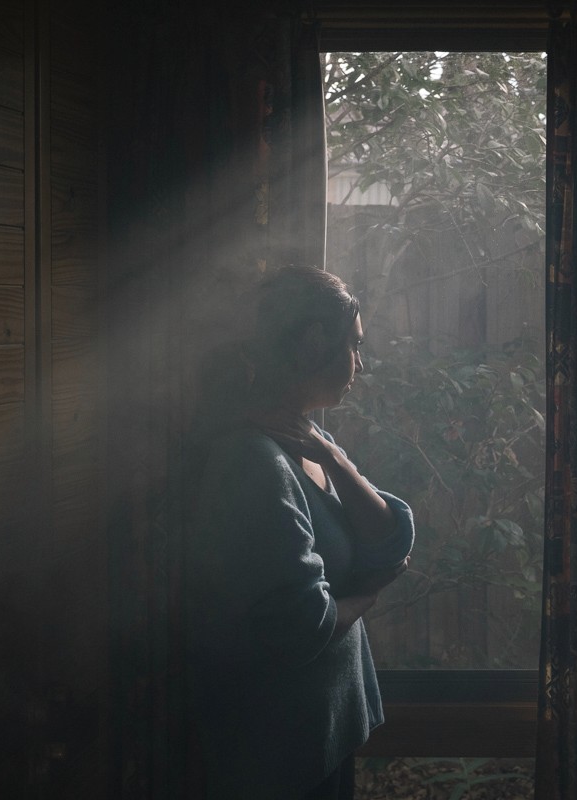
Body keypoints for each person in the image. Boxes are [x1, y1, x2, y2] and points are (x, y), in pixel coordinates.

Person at [184, 266, 414, 799]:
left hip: (321, 731)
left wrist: (334, 458)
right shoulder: (254, 461)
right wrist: (369, 593)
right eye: (354, 346)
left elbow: (390, 539)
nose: (360, 363)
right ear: (314, 342)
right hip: (279, 746)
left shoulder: (305, 436)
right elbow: (302, 625)